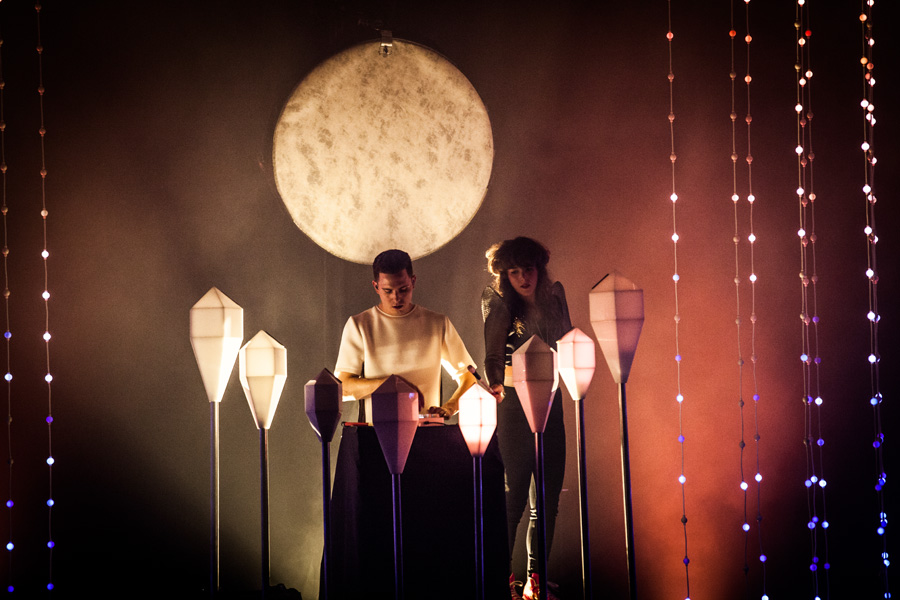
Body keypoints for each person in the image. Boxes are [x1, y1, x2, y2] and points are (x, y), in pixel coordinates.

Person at [482, 237, 571, 600]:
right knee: (514, 495)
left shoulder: (554, 297)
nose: (523, 278)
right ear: (505, 275)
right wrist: (499, 388)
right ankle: (502, 578)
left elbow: (568, 341)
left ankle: (537, 578)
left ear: (540, 269)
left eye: (528, 269)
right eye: (514, 272)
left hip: (551, 396)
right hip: (514, 403)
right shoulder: (500, 302)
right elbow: (491, 356)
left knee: (547, 499)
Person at [335, 249, 477, 421]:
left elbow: (470, 377)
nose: (396, 298)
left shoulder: (437, 323)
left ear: (413, 281)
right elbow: (343, 388)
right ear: (376, 287)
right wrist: (391, 385)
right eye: (388, 291)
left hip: (426, 432)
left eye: (403, 289)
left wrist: (449, 407)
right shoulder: (359, 325)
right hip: (377, 435)